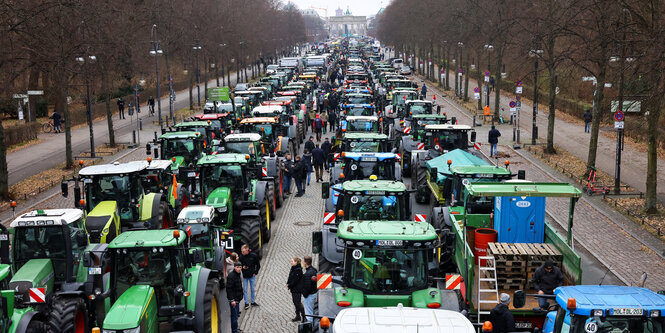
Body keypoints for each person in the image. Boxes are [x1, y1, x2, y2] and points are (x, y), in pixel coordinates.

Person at [239, 244, 260, 309]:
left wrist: (255, 272)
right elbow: (239, 265)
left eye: (243, 251)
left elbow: (258, 265)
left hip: (252, 276)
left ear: (247, 249)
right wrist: (242, 267)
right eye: (242, 251)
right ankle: (246, 303)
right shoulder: (241, 257)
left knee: (253, 289)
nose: (242, 253)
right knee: (245, 290)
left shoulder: (253, 256)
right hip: (245, 276)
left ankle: (253, 302)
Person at [286, 257, 306, 322]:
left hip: (297, 289)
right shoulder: (293, 268)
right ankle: (298, 316)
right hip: (294, 289)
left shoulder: (298, 270)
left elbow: (295, 280)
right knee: (295, 302)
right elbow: (290, 277)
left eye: (292, 261)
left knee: (298, 303)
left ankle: (304, 316)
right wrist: (288, 282)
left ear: (296, 262)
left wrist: (289, 284)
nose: (291, 262)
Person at [226, 261, 244, 333]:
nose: (239, 269)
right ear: (234, 267)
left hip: (237, 299)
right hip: (234, 300)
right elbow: (229, 289)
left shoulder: (238, 274)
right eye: (237, 267)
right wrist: (232, 300)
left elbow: (239, 286)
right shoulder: (231, 276)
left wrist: (240, 298)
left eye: (240, 267)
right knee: (234, 317)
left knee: (236, 316)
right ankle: (234, 331)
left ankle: (236, 329)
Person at [301, 256, 318, 323]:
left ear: (305, 263)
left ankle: (310, 326)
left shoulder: (307, 274)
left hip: (309, 296)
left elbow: (307, 287)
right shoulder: (314, 270)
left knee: (309, 314)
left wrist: (304, 294)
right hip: (314, 293)